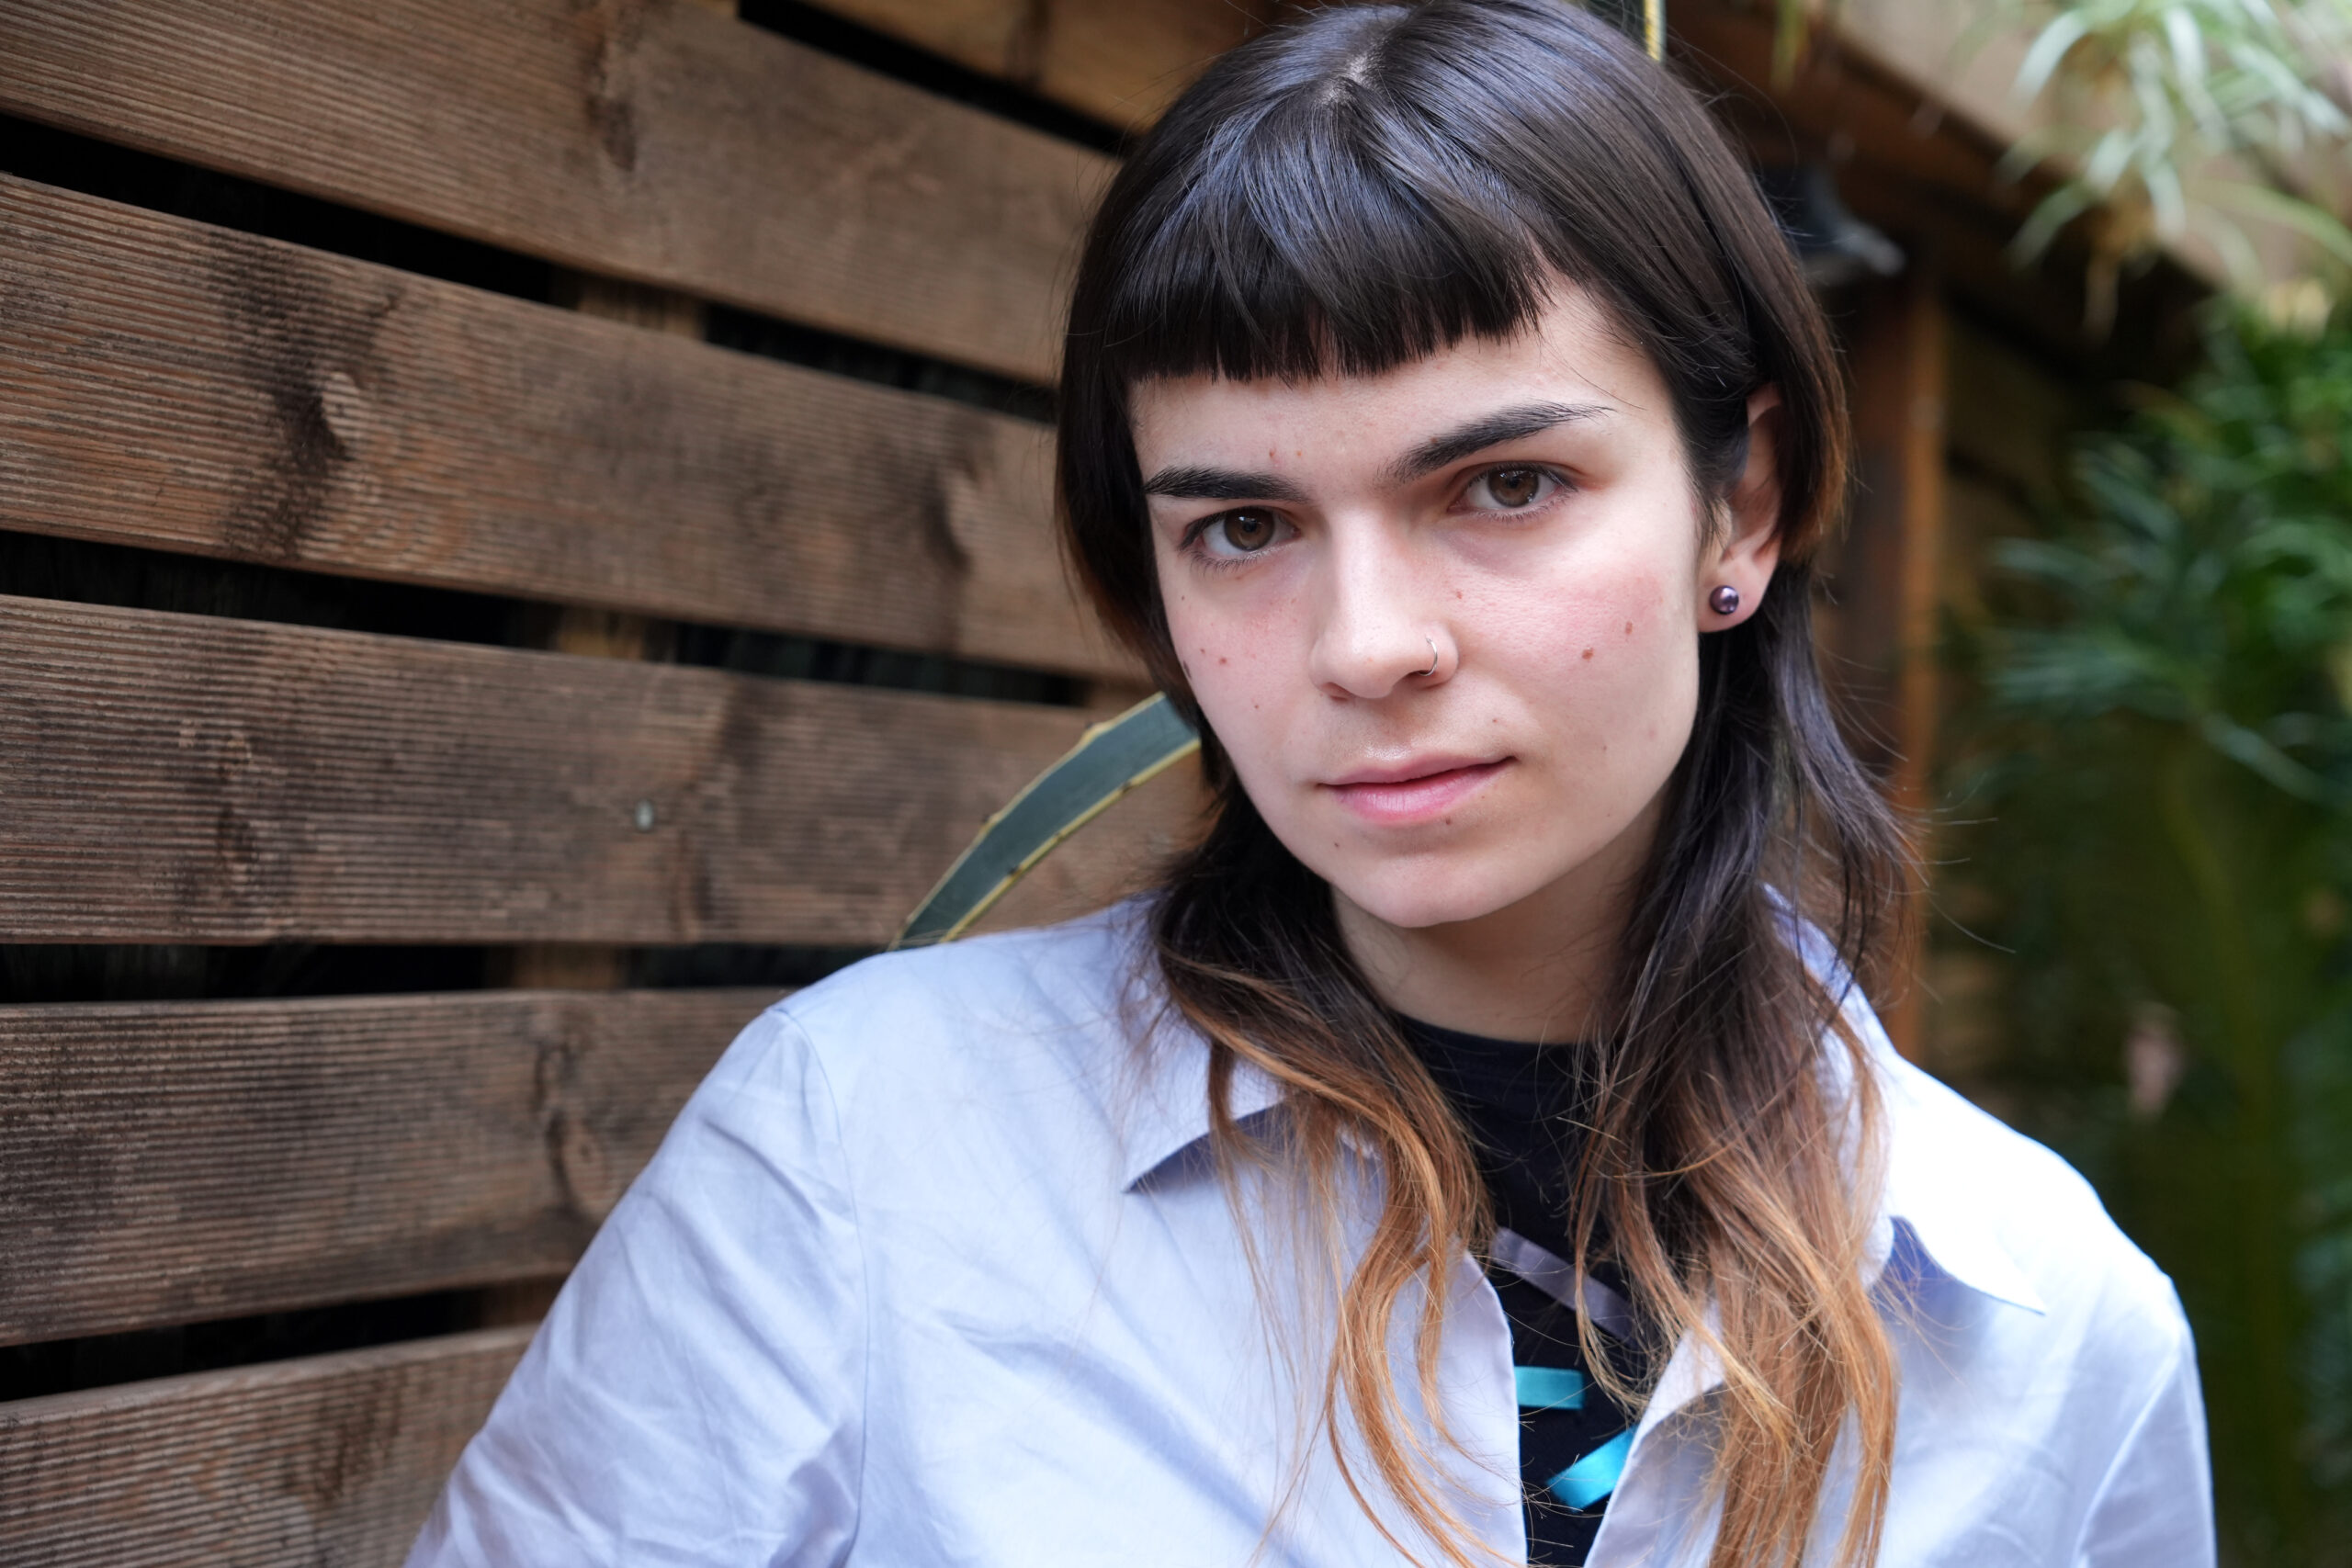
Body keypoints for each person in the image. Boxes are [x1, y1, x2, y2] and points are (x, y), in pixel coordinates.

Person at [405, 4, 2214, 1563]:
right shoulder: (859, 1155)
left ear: (1738, 505)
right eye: (1245, 526)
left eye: (1502, 486)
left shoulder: (2053, 1329)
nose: (1366, 643)